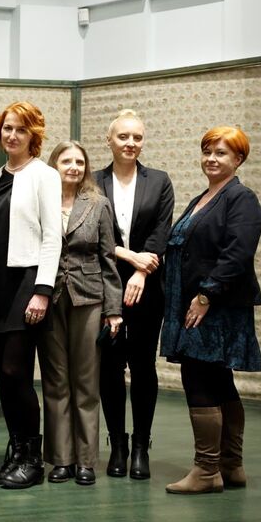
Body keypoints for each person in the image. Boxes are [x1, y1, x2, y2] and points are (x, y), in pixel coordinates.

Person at [160, 126, 261, 495]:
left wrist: (205, 296)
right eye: (207, 151)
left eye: (221, 152)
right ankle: (230, 466)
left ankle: (207, 470)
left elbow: (238, 252)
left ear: (238, 159)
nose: (212, 158)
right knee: (219, 381)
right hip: (196, 304)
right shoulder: (204, 197)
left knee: (200, 379)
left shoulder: (241, 198)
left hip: (212, 307)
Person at [0, 101, 62, 489]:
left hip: (26, 283)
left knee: (16, 373)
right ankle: (15, 451)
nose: (12, 135)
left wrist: (42, 291)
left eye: (20, 130)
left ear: (33, 137)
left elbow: (51, 237)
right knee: (5, 381)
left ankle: (32, 460)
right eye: (7, 128)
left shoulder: (45, 175)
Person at [94, 109, 174, 480]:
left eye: (137, 137)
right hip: (104, 287)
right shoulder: (92, 183)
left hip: (149, 289)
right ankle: (118, 445)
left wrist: (142, 271)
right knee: (109, 368)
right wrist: (128, 258)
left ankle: (141, 445)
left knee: (142, 367)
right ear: (109, 140)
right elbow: (92, 237)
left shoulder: (159, 181)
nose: (130, 143)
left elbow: (161, 234)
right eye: (123, 136)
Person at [40, 141, 123, 486]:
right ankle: (62, 459)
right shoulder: (41, 200)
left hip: (88, 298)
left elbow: (108, 259)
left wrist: (113, 310)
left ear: (85, 167)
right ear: (54, 164)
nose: (72, 167)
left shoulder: (99, 204)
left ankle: (86, 460)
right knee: (55, 381)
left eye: (79, 162)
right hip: (48, 296)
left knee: (86, 382)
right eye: (66, 160)